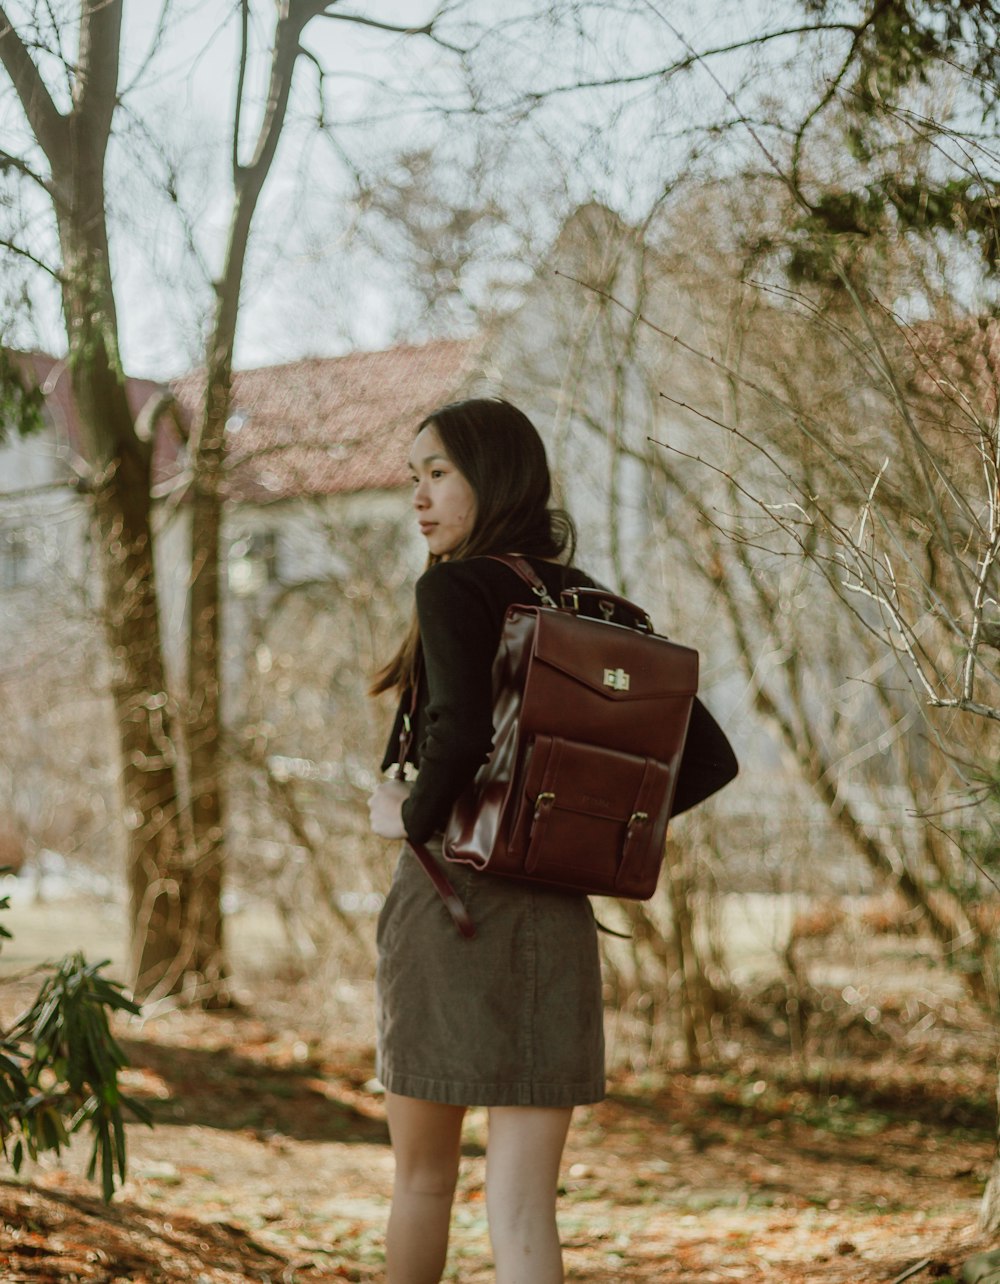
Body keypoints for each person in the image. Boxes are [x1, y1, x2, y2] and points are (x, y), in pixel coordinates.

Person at [367, 397, 737, 1284]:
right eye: (412, 476)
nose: (418, 497)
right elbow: (708, 759)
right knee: (526, 1205)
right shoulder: (596, 604)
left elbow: (454, 739)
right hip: (556, 917)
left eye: (438, 473)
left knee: (422, 1181)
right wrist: (584, 831)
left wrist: (409, 813)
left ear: (492, 477)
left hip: (451, 904)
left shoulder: (454, 586)